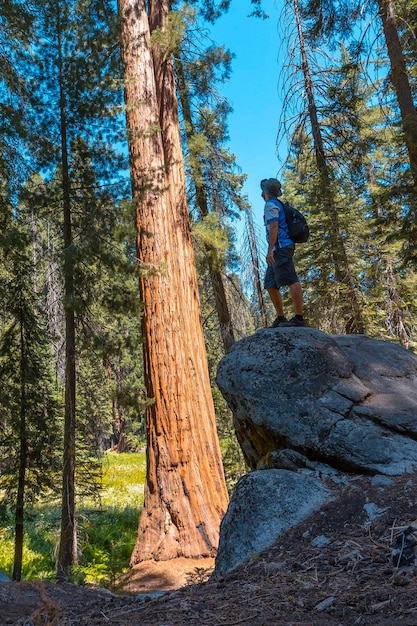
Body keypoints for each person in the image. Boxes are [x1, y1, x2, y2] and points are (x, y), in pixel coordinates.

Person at [261, 177, 305, 327]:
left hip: (280, 248)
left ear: (265, 192)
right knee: (270, 283)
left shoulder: (271, 205)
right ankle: (281, 318)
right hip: (278, 248)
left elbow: (274, 227)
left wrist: (269, 251)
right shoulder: (276, 204)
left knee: (291, 279)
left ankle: (299, 318)